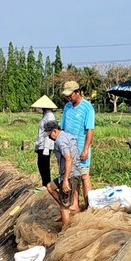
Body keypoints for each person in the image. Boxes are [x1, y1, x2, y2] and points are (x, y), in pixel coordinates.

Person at [61, 81, 95, 209]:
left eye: (70, 95)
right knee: (73, 177)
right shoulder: (67, 107)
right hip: (69, 149)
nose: (68, 98)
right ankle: (75, 204)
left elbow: (90, 130)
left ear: (77, 92)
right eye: (67, 96)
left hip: (81, 148)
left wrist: (86, 149)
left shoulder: (88, 108)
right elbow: (63, 127)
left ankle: (89, 206)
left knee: (84, 176)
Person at [44, 120, 83, 227]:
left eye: (49, 134)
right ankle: (68, 206)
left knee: (64, 207)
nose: (49, 137)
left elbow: (68, 158)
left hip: (69, 175)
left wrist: (65, 180)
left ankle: (65, 231)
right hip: (74, 173)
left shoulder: (60, 141)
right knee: (50, 187)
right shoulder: (68, 135)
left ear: (54, 131)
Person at [31, 95, 58, 188]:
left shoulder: (49, 116)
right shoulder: (45, 115)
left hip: (46, 144)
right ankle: (45, 183)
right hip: (41, 144)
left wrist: (46, 147)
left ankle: (46, 184)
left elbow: (49, 131)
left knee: (44, 165)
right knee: (41, 164)